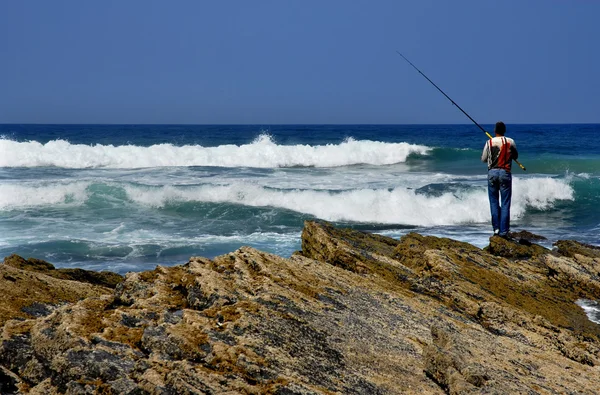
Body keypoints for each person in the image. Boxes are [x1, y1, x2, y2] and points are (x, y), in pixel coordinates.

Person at [481, 121, 518, 238]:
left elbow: (483, 159)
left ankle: (496, 229)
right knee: (505, 203)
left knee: (494, 202)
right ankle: (504, 232)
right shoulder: (510, 141)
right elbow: (516, 156)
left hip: (492, 173)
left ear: (495, 131)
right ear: (504, 131)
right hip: (505, 173)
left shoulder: (489, 142)